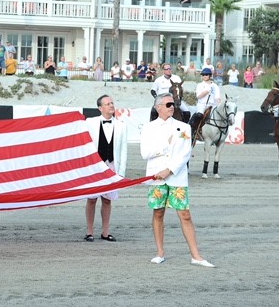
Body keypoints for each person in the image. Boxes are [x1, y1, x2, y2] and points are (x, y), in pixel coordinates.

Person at [141, 93, 215, 268]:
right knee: (158, 213)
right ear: (158, 107)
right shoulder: (149, 128)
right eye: (167, 105)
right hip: (156, 176)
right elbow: (145, 153)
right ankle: (160, 252)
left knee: (185, 214)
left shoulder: (183, 127)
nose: (171, 107)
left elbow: (185, 153)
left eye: (172, 104)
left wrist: (170, 169)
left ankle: (196, 255)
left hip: (177, 177)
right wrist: (164, 147)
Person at [84, 95, 127, 243]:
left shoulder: (121, 125)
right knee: (91, 199)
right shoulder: (90, 123)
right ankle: (89, 232)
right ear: (100, 108)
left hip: (111, 166)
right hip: (95, 166)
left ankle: (105, 232)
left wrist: (121, 172)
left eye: (112, 103)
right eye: (108, 104)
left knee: (107, 200)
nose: (111, 105)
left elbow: (123, 150)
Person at [188, 68, 221, 143]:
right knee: (199, 115)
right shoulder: (200, 85)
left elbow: (218, 98)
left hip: (212, 105)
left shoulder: (215, 86)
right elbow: (198, 96)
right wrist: (206, 92)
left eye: (206, 75)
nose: (204, 76)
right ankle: (193, 130)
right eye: (203, 75)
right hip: (202, 104)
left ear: (210, 76)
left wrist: (219, 106)